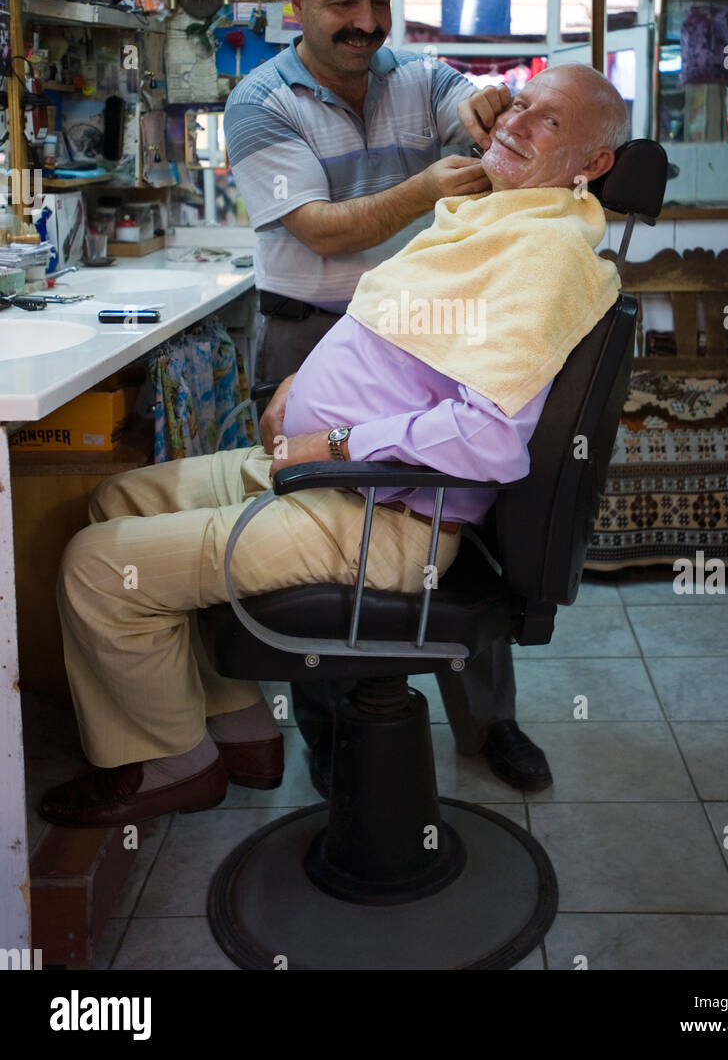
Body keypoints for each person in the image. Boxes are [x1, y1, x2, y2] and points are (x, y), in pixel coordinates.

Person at [40, 62, 629, 828]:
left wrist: (335, 435)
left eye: (547, 122)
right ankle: (242, 734)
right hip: (331, 473)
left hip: (380, 515)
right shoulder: (498, 221)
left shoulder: (542, 256)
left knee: (97, 566)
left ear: (592, 165)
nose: (514, 122)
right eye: (518, 103)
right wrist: (306, 386)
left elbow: (490, 442)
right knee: (116, 497)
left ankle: (174, 765)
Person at [214, 0, 548, 794]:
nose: (366, 21)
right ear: (294, 5)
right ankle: (338, 748)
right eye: (342, 3)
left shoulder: (419, 75)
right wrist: (419, 191)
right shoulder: (258, 104)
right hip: (306, 332)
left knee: (456, 528)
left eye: (379, 0)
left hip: (415, 340)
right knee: (323, 543)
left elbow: (477, 109)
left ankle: (490, 723)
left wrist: (494, 107)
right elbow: (321, 233)